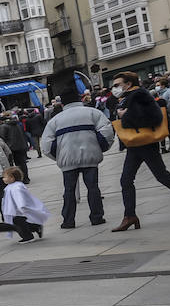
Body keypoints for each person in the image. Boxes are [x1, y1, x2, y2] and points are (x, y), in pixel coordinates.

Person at [111, 71, 170, 231]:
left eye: (117, 85)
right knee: (126, 180)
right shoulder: (128, 96)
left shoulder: (140, 95)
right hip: (135, 144)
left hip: (145, 143)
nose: (114, 88)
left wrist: (125, 115)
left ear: (128, 84)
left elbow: (153, 117)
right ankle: (130, 216)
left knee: (162, 176)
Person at [39, 75, 114, 228]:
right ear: (79, 98)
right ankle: (97, 217)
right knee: (93, 188)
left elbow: (46, 145)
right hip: (90, 156)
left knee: (69, 190)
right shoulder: (93, 113)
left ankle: (68, 221)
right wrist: (100, 148)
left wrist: (58, 156)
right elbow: (107, 132)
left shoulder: (55, 120)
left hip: (67, 159)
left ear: (63, 103)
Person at [1, 167, 48, 243]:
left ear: (12, 178)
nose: (3, 179)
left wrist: (21, 206)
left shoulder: (16, 187)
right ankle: (36, 227)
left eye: (5, 177)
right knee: (21, 222)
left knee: (19, 222)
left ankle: (28, 236)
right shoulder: (11, 186)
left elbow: (19, 198)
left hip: (19, 210)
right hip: (16, 210)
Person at [0, 114, 31, 183]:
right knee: (22, 163)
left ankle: (13, 179)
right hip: (21, 146)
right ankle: (25, 178)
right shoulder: (18, 124)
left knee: (10, 164)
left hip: (10, 148)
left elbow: (2, 138)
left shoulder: (3, 126)